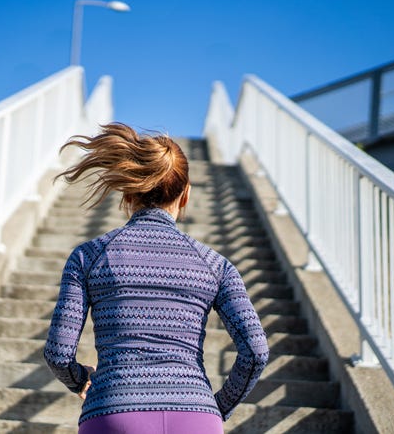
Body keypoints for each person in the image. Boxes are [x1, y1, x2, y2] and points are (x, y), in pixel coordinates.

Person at [44, 123, 269, 434]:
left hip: (112, 411)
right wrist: (215, 407)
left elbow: (58, 353)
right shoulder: (216, 265)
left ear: (128, 192)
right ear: (186, 194)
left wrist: (81, 379)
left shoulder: (88, 256)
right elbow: (256, 350)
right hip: (195, 416)